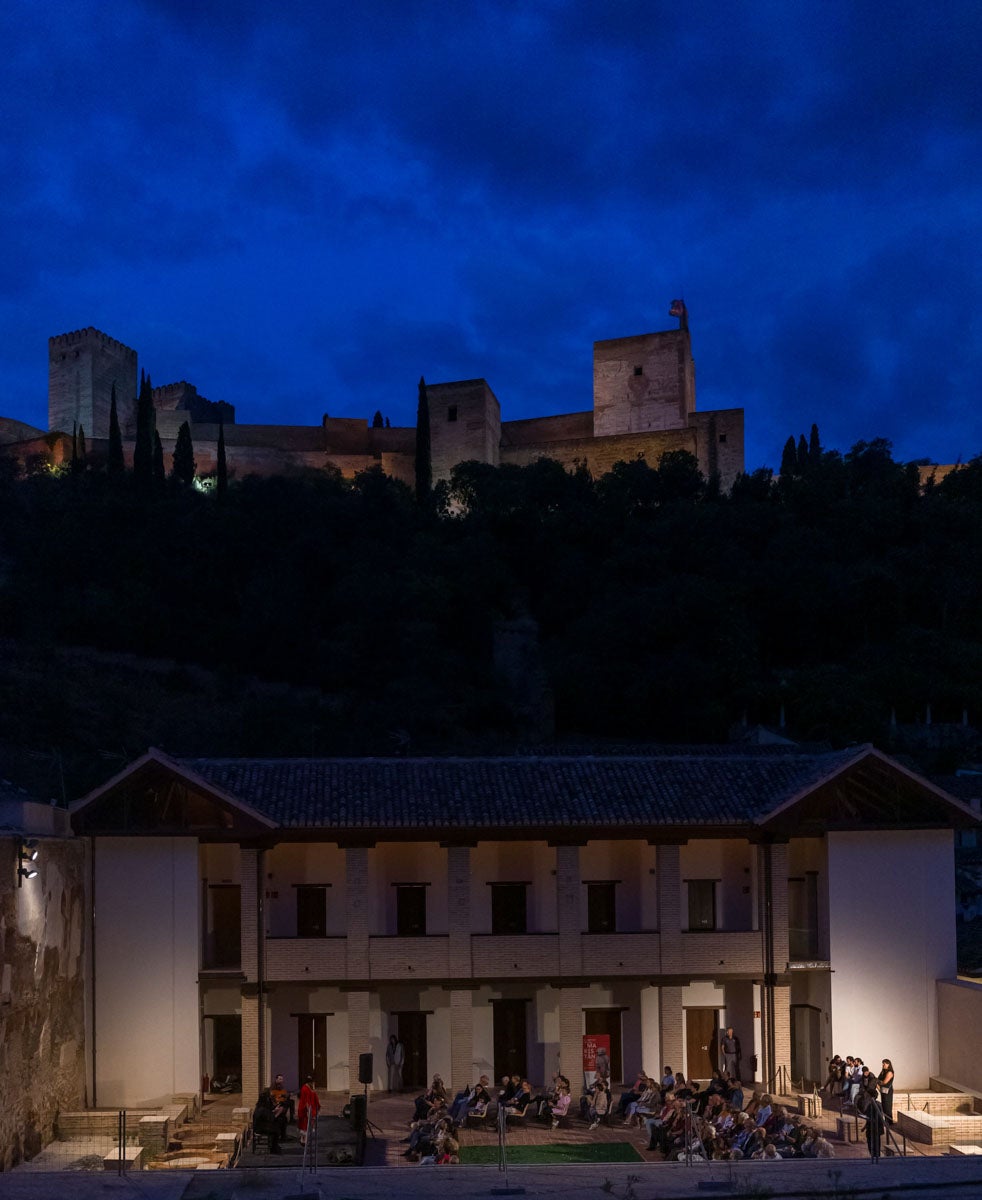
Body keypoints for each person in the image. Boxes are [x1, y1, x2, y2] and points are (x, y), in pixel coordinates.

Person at [298, 1074, 321, 1146]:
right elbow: (306, 1101)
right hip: (305, 1109)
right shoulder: (305, 1088)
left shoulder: (310, 1088)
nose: (313, 1083)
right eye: (312, 1082)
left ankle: (305, 1140)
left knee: (307, 1125)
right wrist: (309, 1111)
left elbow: (314, 1097)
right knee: (304, 1125)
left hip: (311, 1108)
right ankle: (303, 1141)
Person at [877, 1058, 895, 1123]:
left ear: (888, 1064)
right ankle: (886, 1121)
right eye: (882, 1063)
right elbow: (878, 1080)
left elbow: (884, 1082)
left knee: (887, 1107)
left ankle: (889, 1122)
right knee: (884, 1106)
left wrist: (878, 1081)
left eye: (884, 1063)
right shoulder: (883, 1071)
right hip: (883, 1091)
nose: (883, 1065)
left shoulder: (890, 1072)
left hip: (888, 1091)